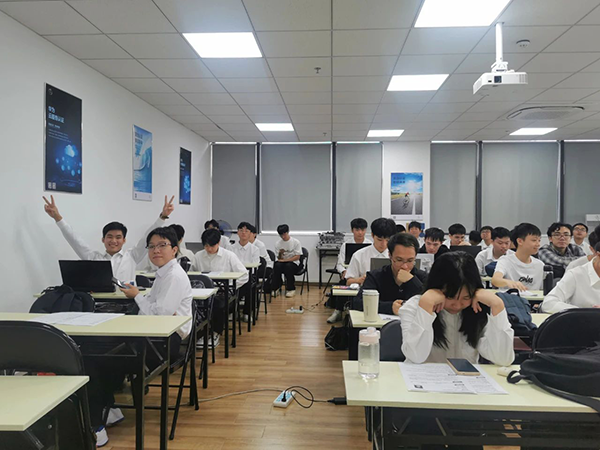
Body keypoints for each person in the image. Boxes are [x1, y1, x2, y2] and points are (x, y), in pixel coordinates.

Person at [88, 226, 192, 446]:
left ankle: (97, 423)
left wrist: (137, 296)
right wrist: (143, 302)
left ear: (174, 249)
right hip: (153, 335)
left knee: (96, 360)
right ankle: (109, 409)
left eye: (162, 245)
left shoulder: (173, 276)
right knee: (100, 351)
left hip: (163, 343)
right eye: (151, 246)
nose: (156, 250)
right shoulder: (163, 273)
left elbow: (159, 316)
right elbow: (155, 311)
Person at [399, 251, 514, 365]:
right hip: (423, 376)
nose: (457, 305)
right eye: (450, 297)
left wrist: (497, 305)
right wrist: (426, 306)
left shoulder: (479, 308)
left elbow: (503, 359)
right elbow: (415, 356)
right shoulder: (414, 307)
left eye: (466, 297)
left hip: (466, 376)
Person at [43, 194, 174, 283]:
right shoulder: (94, 258)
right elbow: (75, 240)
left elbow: (148, 236)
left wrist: (162, 217)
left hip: (126, 303)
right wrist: (57, 218)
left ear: (124, 240)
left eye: (118, 237)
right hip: (100, 304)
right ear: (103, 239)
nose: (113, 241)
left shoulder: (132, 256)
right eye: (109, 237)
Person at [192, 228, 248, 347]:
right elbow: (192, 275)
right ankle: (198, 333)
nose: (209, 249)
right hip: (203, 292)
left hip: (223, 293)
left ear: (218, 243)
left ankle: (215, 333)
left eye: (212, 246)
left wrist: (231, 286)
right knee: (192, 304)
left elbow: (244, 275)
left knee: (217, 303)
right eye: (206, 246)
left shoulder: (229, 256)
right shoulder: (198, 256)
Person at [355, 233, 427, 315]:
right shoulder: (375, 276)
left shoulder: (423, 277)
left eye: (410, 260)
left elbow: (431, 303)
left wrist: (412, 281)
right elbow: (358, 303)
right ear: (390, 255)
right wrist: (389, 307)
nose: (405, 266)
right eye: (399, 260)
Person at [328, 218, 371, 323]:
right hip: (350, 275)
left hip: (366, 275)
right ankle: (338, 311)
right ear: (352, 230)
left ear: (366, 230)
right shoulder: (345, 245)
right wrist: (343, 271)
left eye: (362, 230)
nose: (360, 233)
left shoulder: (370, 245)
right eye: (357, 230)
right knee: (342, 283)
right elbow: (340, 263)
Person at [541, 242, 600, 313]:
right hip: (580, 318)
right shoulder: (576, 275)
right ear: (598, 255)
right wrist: (581, 312)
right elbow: (548, 303)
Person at [492, 223, 544, 291]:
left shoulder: (540, 265)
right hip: (511, 297)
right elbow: (495, 280)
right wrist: (509, 282)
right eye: (534, 240)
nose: (538, 244)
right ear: (520, 241)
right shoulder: (505, 261)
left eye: (539, 240)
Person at [345, 218, 396, 286]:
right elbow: (348, 282)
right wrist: (360, 280)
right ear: (372, 235)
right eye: (379, 240)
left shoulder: (397, 256)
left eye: (387, 240)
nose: (383, 244)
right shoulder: (359, 255)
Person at [230, 222, 260, 322]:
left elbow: (254, 266)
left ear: (251, 234)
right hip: (234, 276)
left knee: (249, 284)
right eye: (241, 230)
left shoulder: (255, 249)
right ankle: (231, 311)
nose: (243, 233)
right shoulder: (231, 248)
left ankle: (247, 312)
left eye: (246, 231)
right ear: (237, 233)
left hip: (249, 275)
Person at [272, 224, 303, 298]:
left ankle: (291, 289)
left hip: (294, 263)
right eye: (281, 235)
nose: (283, 237)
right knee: (276, 265)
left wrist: (286, 260)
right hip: (283, 263)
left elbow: (297, 256)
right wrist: (280, 254)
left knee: (288, 266)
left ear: (288, 232)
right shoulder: (278, 243)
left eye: (284, 234)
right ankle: (277, 287)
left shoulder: (295, 242)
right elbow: (279, 258)